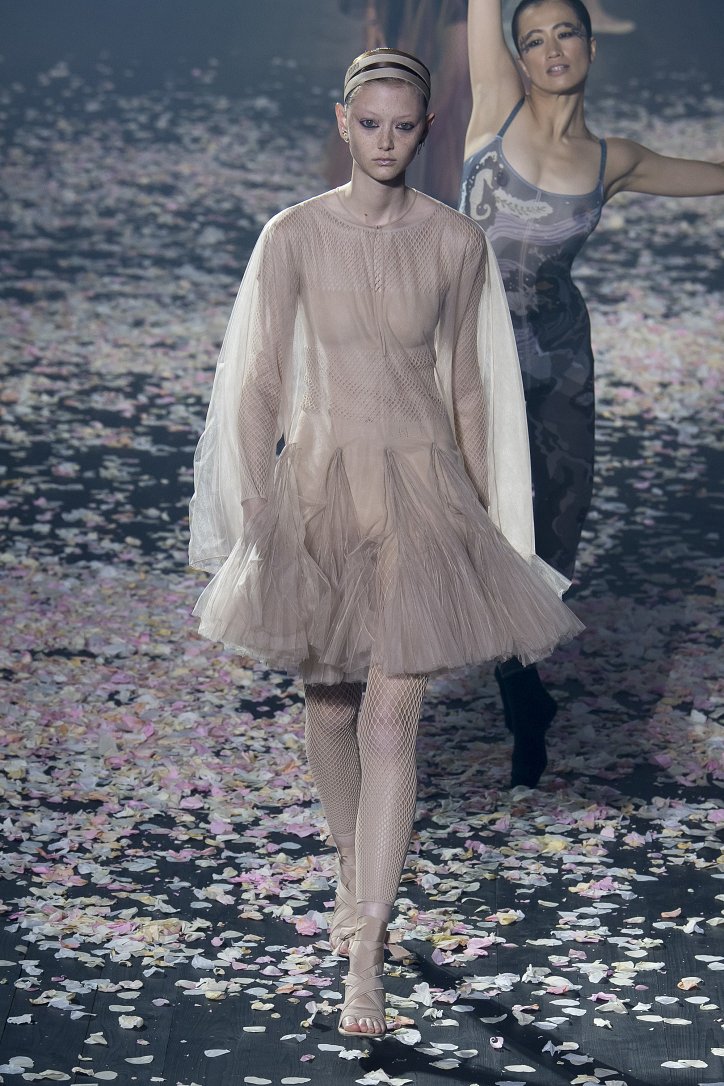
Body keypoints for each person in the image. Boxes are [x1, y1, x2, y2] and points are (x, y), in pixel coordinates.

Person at [189, 47, 583, 1038]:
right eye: (370, 124)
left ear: (423, 130)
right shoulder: (294, 235)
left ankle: (366, 947)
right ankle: (348, 865)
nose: (386, 141)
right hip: (320, 490)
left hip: (421, 494)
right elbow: (257, 380)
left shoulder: (454, 242)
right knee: (328, 707)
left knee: (389, 722)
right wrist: (254, 509)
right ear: (343, 121)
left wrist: (492, 524)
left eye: (403, 126)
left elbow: (472, 390)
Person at [460, 0, 724, 786]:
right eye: (534, 39)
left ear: (590, 45)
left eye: (565, 33)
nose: (551, 50)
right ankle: (519, 686)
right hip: (475, 356)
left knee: (554, 524)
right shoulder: (496, 106)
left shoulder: (617, 160)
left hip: (558, 362)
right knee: (477, 521)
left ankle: (521, 675)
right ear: (519, 55)